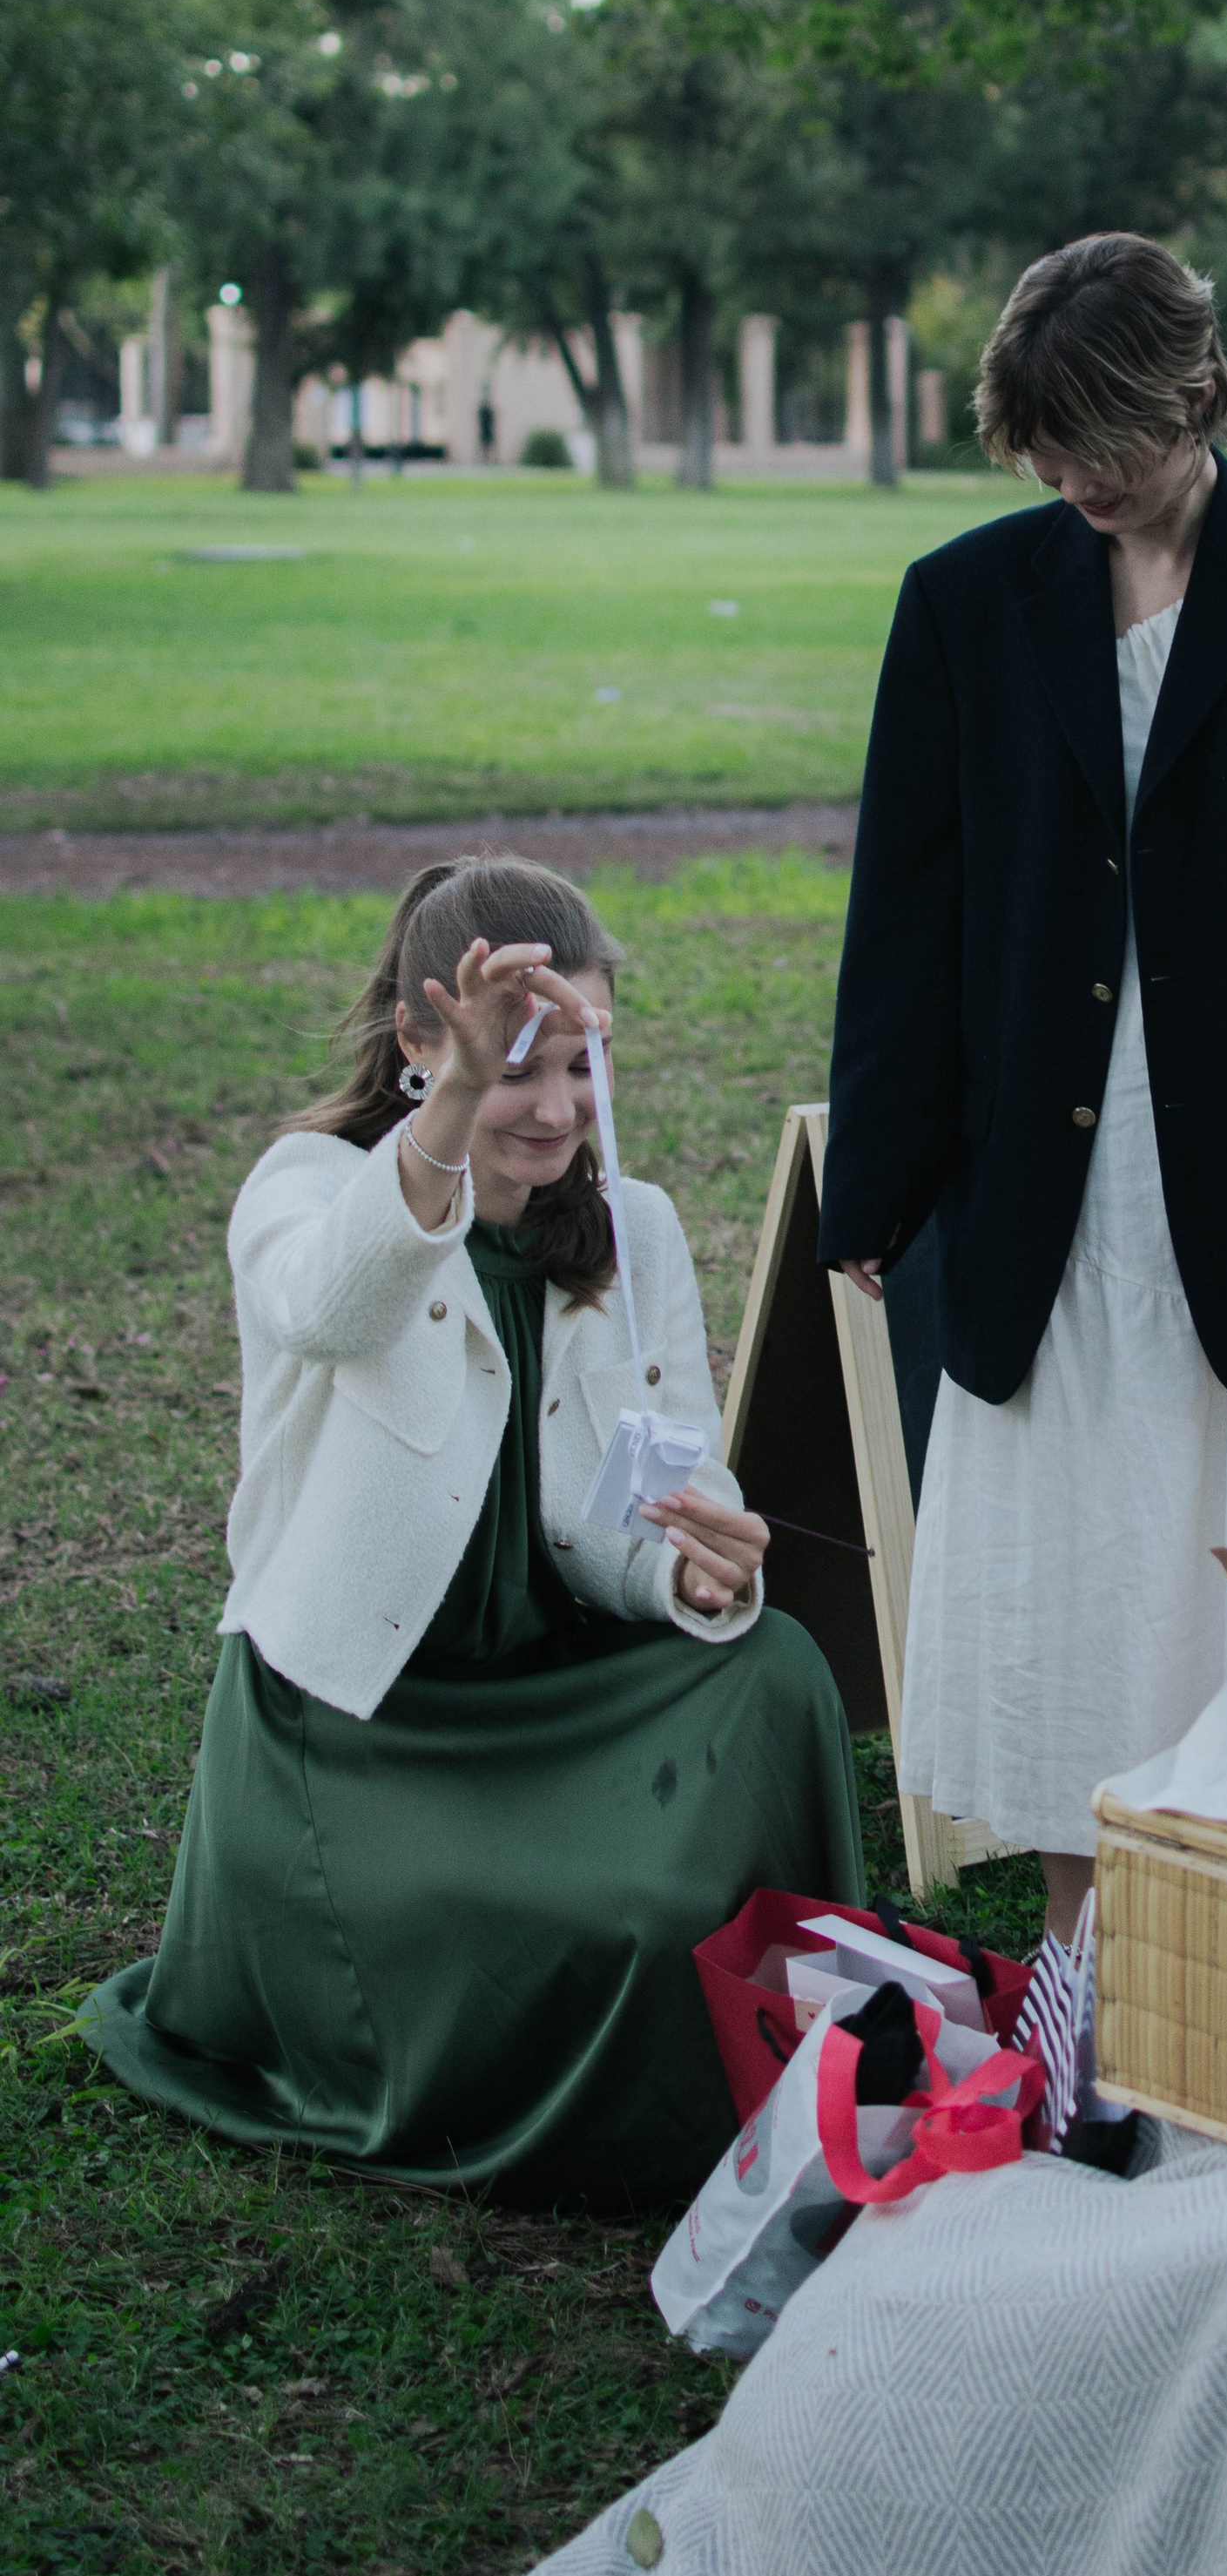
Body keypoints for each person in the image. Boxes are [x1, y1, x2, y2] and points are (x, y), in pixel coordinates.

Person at [819, 233, 1227, 1939]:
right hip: (1035, 1184)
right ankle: (1090, 1954)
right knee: (1073, 1564)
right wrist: (869, 1183)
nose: (1070, 481)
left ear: (1189, 396)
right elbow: (908, 908)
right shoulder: (961, 600)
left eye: (1097, 441)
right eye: (1041, 449)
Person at [88, 856, 863, 2209]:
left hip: (557, 1677)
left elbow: (655, 1485)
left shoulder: (637, 1231)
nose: (560, 1108)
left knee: (779, 1665)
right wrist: (453, 1106)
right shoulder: (305, 1189)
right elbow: (337, 1313)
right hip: (362, 1717)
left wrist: (688, 1561)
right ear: (419, 1044)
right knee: (609, 1921)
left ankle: (750, 1997)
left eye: (584, 1062)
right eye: (519, 1066)